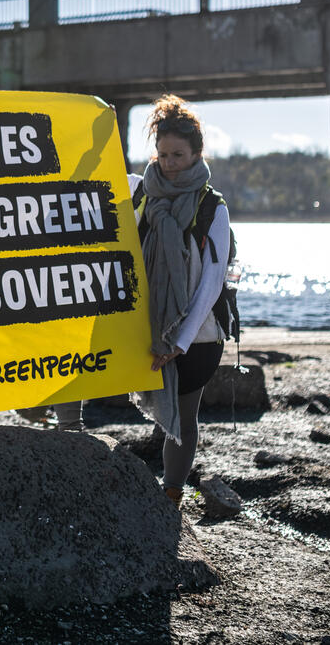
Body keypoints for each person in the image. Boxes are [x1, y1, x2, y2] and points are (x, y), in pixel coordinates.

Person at [131, 94, 231, 508]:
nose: (169, 162)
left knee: (184, 419)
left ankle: (171, 493)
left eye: (178, 154)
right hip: (145, 326)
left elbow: (212, 281)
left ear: (196, 154)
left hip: (199, 336)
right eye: (163, 154)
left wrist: (179, 340)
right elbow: (84, 191)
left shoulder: (212, 207)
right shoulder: (139, 192)